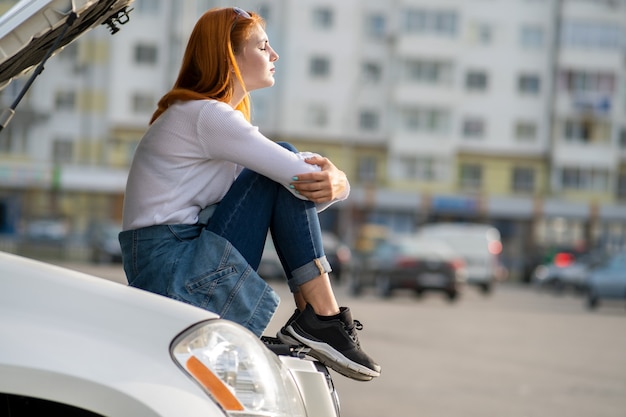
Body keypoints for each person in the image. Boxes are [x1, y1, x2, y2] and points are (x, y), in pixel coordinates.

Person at [118, 6, 380, 381]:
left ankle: (316, 318)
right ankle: (321, 316)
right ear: (230, 55)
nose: (274, 56)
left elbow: (292, 196)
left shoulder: (202, 117)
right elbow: (296, 176)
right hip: (176, 275)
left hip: (174, 270)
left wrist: (333, 182)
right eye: (263, 47)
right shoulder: (206, 116)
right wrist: (339, 182)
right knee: (285, 154)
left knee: (281, 166)